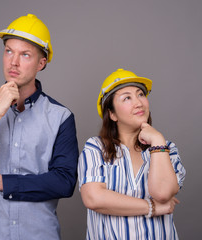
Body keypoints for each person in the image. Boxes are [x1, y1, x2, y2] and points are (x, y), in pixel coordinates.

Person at [0, 14, 79, 240]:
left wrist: (0, 182)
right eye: (9, 51)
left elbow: (64, 182)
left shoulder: (61, 117)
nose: (13, 62)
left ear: (42, 63)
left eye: (25, 55)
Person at [78, 68, 186, 239]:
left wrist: (157, 140)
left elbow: (163, 193)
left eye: (141, 94)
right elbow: (94, 198)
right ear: (112, 114)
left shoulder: (167, 149)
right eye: (127, 98)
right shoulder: (96, 148)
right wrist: (152, 207)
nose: (139, 103)